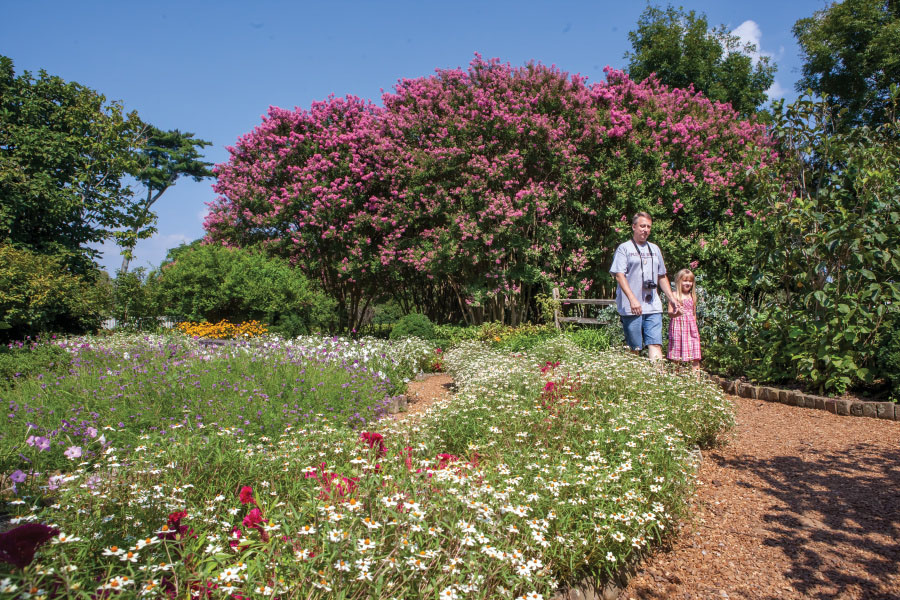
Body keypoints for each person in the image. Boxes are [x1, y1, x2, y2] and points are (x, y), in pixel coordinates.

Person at [609, 212, 681, 359]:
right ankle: (633, 379)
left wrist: (672, 298)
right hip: (632, 307)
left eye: (648, 227)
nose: (645, 229)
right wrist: (632, 299)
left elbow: (661, 275)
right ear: (634, 227)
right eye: (642, 226)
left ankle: (657, 378)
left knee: (655, 343)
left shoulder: (655, 249)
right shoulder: (624, 248)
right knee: (634, 347)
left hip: (653, 305)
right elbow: (619, 275)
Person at [667, 268, 701, 370]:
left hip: (691, 328)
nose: (688, 283)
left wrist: (695, 329)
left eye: (690, 281)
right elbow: (669, 313)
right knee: (676, 355)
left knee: (695, 355)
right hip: (678, 328)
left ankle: (696, 380)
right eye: (685, 280)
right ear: (679, 281)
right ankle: (674, 378)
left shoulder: (692, 296)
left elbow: (694, 314)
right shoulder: (674, 295)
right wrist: (676, 313)